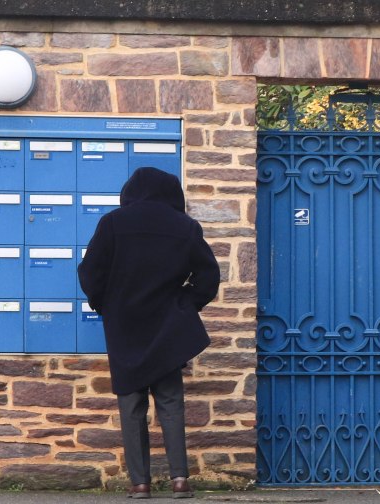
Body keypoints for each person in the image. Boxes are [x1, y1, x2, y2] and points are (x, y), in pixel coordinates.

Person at [78, 167, 220, 499]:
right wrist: (185, 304)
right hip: (168, 329)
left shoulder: (113, 223)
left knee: (131, 405)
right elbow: (208, 277)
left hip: (125, 327)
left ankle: (140, 483)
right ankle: (179, 480)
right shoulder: (184, 227)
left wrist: (106, 304)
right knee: (171, 403)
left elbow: (90, 273)